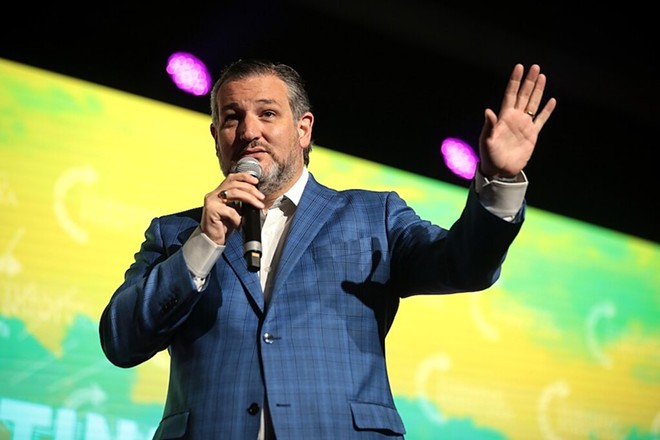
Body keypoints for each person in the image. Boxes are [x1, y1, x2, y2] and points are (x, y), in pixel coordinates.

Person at [99, 58, 556, 439]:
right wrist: (204, 245)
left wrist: (499, 181)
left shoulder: (372, 215)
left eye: (267, 113)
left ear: (303, 129)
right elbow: (120, 341)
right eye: (232, 117)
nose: (249, 130)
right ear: (217, 137)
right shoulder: (177, 234)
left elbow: (465, 265)